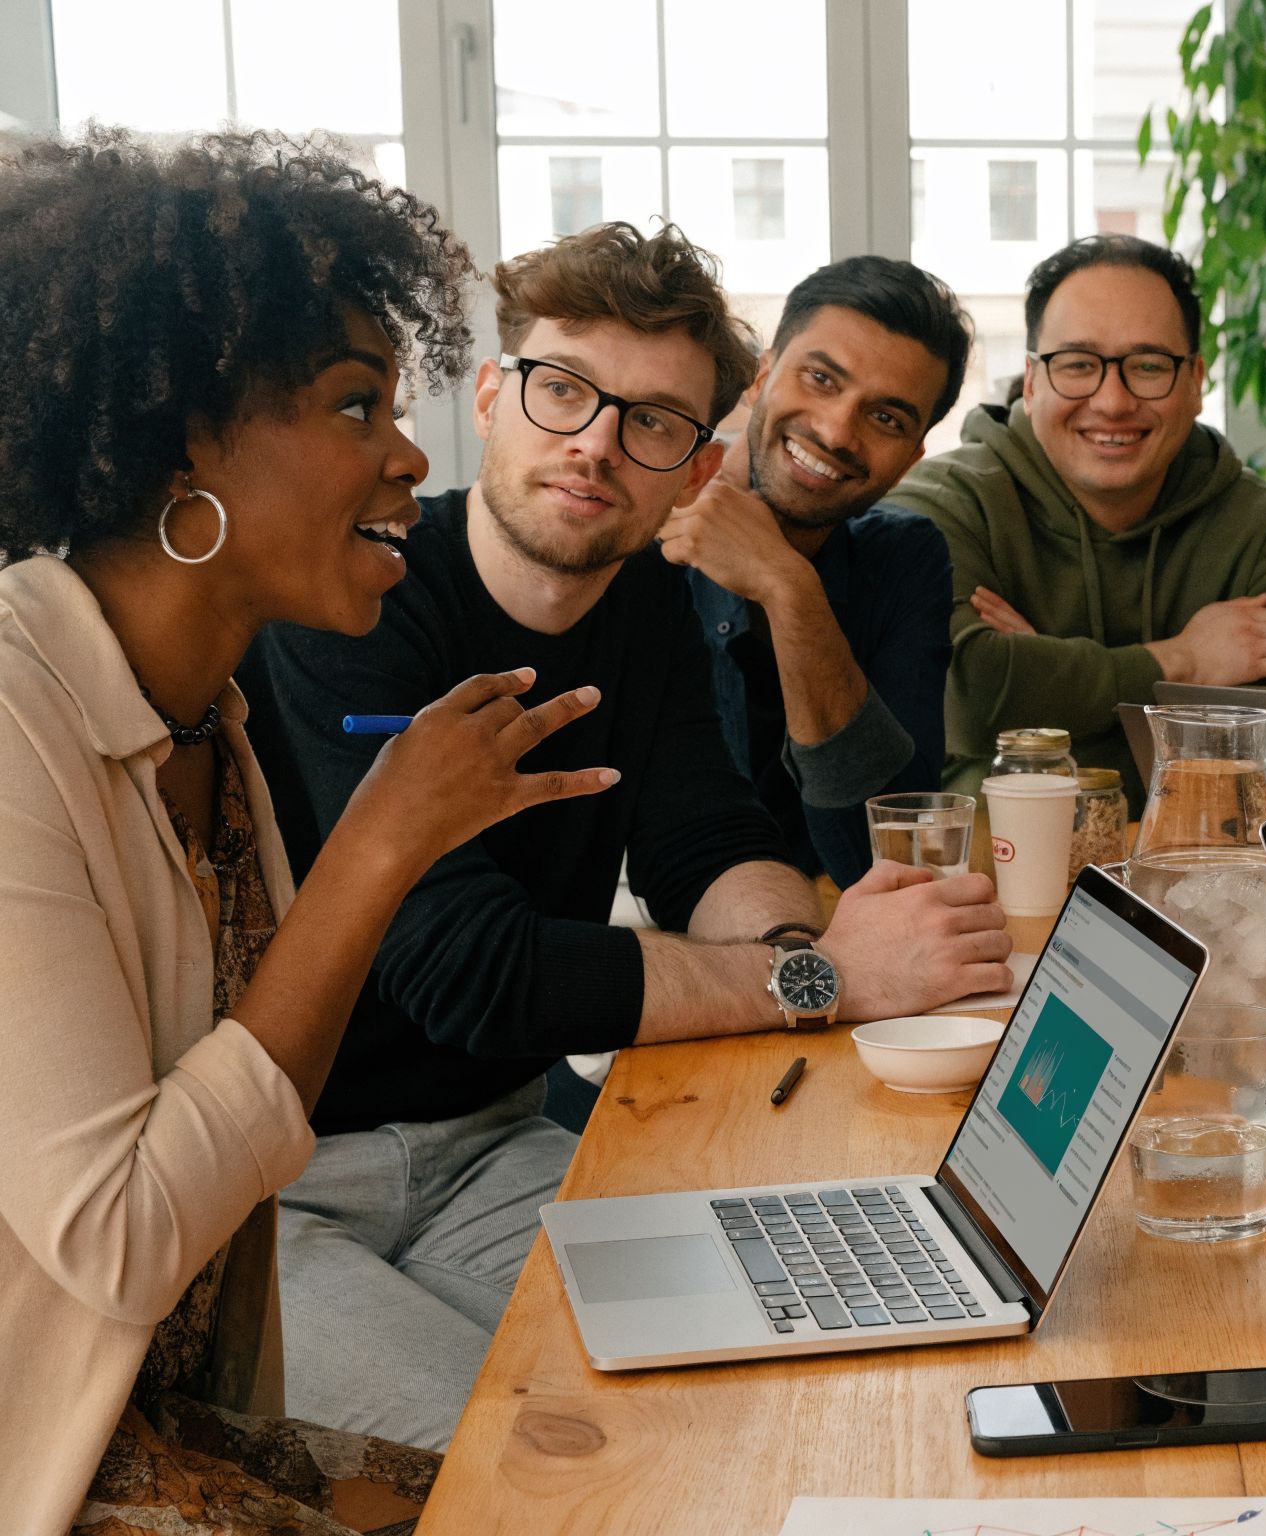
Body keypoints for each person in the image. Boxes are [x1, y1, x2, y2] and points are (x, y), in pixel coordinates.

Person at [242, 221, 1012, 1450]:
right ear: (493, 397)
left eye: (650, 421)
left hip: (492, 1150)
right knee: (535, 1467)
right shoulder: (354, 603)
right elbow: (467, 971)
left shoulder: (647, 594)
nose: (597, 444)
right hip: (277, 1193)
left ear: (696, 468)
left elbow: (701, 836)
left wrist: (812, 937)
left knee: (773, 1402)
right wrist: (817, 979)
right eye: (562, 393)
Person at [0, 128, 617, 1531]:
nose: (409, 454)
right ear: (179, 443)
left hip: (170, 1418)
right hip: (44, 1459)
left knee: (622, 1466)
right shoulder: (12, 725)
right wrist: (380, 853)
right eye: (355, 406)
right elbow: (123, 1242)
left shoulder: (203, 712)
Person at [885, 234, 1266, 804]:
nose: (1114, 401)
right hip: (988, 876)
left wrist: (1044, 695)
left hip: (1203, 875)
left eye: (1148, 366)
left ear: (1196, 381)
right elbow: (966, 696)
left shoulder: (1256, 521)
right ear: (1031, 380)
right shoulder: (943, 503)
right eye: (1078, 365)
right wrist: (1188, 660)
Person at [667, 255, 972, 890]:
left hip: (818, 940)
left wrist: (789, 589)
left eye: (885, 417)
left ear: (913, 457)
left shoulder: (904, 558)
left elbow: (891, 856)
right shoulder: (641, 523)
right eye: (821, 379)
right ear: (762, 374)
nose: (836, 431)